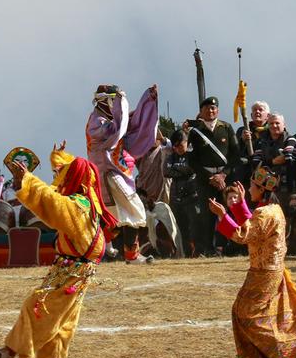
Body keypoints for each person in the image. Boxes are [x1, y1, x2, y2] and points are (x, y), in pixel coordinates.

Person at [0, 144, 117, 358]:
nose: (59, 177)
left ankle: (12, 348)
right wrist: (56, 156)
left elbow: (51, 202)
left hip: (73, 268)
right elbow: (61, 185)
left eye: (63, 173)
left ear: (75, 178)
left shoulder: (77, 205)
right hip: (72, 267)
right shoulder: (85, 201)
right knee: (65, 317)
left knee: (37, 304)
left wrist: (27, 180)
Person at [208, 180, 296, 358]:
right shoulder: (273, 209)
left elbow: (243, 235)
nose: (247, 189)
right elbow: (251, 225)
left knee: (244, 314)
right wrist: (239, 205)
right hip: (269, 268)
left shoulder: (265, 213)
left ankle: (283, 353)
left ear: (261, 190)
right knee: (253, 313)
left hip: (264, 271)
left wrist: (222, 215)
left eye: (252, 186)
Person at [85, 84, 159, 263]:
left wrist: (148, 99)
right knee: (133, 209)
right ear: (104, 100)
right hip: (108, 172)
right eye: (113, 100)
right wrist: (123, 112)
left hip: (113, 171)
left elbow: (126, 122)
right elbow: (118, 128)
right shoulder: (97, 122)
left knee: (117, 213)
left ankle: (108, 245)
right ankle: (129, 254)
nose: (114, 104)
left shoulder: (107, 119)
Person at [186, 96, 241, 256]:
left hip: (225, 179)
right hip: (206, 180)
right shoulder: (195, 132)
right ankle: (209, 248)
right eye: (207, 108)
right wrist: (209, 177)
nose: (210, 111)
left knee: (229, 211)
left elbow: (235, 155)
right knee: (207, 215)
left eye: (213, 108)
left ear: (217, 110)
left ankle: (230, 246)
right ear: (201, 112)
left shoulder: (227, 127)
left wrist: (223, 175)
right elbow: (192, 160)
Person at [165, 128, 199, 257]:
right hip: (176, 197)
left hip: (192, 196)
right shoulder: (171, 157)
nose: (178, 148)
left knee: (195, 227)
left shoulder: (192, 155)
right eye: (175, 145)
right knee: (181, 228)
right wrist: (184, 169)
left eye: (181, 144)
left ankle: (197, 252)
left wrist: (178, 168)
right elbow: (166, 171)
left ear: (187, 142)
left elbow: (192, 167)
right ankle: (186, 253)